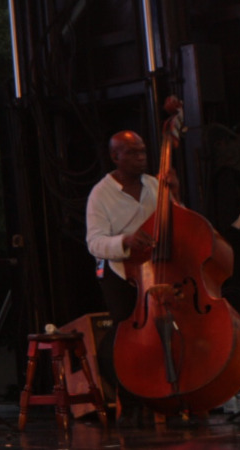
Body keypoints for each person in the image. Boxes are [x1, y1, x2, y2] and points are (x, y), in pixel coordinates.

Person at [84, 130, 161, 402]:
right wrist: (125, 240)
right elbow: (94, 242)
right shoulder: (100, 194)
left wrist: (173, 194)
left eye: (142, 151)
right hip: (120, 272)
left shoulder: (154, 185)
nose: (141, 157)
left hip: (156, 268)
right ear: (115, 156)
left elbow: (176, 220)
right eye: (132, 153)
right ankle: (128, 399)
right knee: (125, 334)